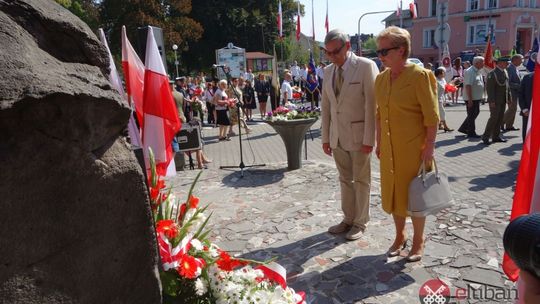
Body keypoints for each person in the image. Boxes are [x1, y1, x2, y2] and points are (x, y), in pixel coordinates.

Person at [374, 26, 439, 262]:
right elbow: (379, 114)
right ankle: (400, 235)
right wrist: (378, 142)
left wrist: (429, 148)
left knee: (415, 195)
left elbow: (432, 117)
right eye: (378, 52)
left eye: (384, 51)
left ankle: (419, 239)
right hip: (389, 150)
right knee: (394, 194)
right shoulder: (380, 80)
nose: (379, 56)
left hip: (414, 150)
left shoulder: (419, 76)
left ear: (401, 50)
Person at [321, 29, 378, 241]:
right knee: (345, 179)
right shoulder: (328, 71)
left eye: (336, 51)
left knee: (361, 180)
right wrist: (326, 137)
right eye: (328, 53)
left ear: (348, 46)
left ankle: (360, 222)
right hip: (337, 137)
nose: (332, 56)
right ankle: (348, 218)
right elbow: (326, 107)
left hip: (359, 136)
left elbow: (372, 106)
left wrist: (369, 140)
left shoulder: (365, 67)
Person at [482, 56, 512, 145]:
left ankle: (496, 136)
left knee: (499, 119)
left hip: (503, 100)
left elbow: (507, 87)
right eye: (506, 62)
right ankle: (486, 136)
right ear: (500, 63)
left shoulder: (505, 72)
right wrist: (491, 101)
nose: (507, 64)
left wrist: (509, 99)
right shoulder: (493, 73)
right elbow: (490, 89)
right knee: (493, 118)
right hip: (495, 101)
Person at [458, 56, 485, 138]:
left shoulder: (478, 71)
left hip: (477, 97)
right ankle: (471, 132)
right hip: (471, 98)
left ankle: (463, 128)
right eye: (482, 62)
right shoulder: (470, 71)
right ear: (477, 63)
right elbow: (468, 86)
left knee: (474, 114)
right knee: (472, 114)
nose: (484, 63)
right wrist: (470, 99)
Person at [502, 54, 524, 132]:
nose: (522, 61)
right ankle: (501, 123)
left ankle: (509, 126)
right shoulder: (510, 68)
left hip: (515, 92)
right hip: (511, 93)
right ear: (515, 60)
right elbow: (508, 82)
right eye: (521, 59)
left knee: (513, 109)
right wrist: (519, 86)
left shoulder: (515, 68)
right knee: (512, 109)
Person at [519, 57, 534, 140]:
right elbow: (521, 94)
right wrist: (524, 109)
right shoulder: (527, 77)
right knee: (527, 129)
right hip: (528, 110)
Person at [434, 67, 453, 132]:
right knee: (442, 113)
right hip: (436, 99)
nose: (444, 73)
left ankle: (440, 125)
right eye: (443, 72)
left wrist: (448, 95)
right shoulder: (435, 80)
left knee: (440, 113)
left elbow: (446, 88)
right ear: (439, 74)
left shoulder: (443, 79)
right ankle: (445, 126)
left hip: (442, 98)